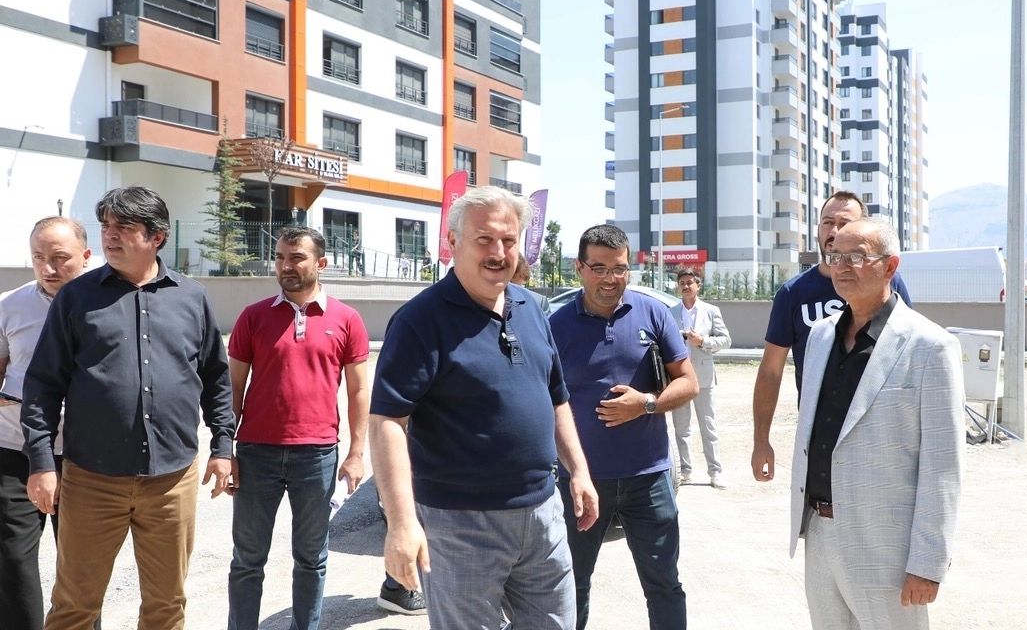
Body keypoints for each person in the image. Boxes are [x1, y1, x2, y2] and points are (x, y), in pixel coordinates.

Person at [369, 186, 598, 628]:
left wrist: (580, 472)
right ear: (453, 241)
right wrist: (401, 523)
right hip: (459, 525)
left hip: (542, 515)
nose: (498, 252)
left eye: (508, 240)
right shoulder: (419, 321)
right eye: (484, 239)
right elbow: (387, 423)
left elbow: (556, 397)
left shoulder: (531, 308)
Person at [22, 185, 235, 630]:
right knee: (74, 606)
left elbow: (216, 378)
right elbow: (43, 385)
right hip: (92, 480)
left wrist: (222, 446)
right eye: (106, 226)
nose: (110, 236)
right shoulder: (76, 298)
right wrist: (41, 462)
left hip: (172, 480)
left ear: (157, 236)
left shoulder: (192, 297)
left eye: (124, 227)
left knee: (166, 605)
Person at [786, 218, 964, 630]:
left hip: (888, 546)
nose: (842, 266)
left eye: (856, 256)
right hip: (820, 531)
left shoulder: (930, 346)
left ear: (890, 265)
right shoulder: (820, 336)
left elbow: (943, 466)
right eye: (834, 256)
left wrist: (927, 563)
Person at [548, 224, 698, 630]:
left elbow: (688, 382)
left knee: (664, 585)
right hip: (581, 482)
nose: (610, 278)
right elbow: (542, 400)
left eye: (619, 268)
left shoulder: (653, 313)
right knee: (570, 585)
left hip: (649, 479)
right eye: (599, 268)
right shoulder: (556, 327)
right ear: (579, 268)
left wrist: (646, 404)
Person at [226, 227, 371, 630]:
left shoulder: (347, 319)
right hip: (256, 453)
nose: (285, 266)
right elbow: (233, 388)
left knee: (311, 558)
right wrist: (224, 450)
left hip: (317, 456)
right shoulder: (253, 316)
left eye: (296, 258)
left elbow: (359, 391)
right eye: (280, 257)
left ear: (321, 263)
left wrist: (356, 454)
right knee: (247, 560)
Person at [752, 190, 912, 482]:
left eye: (844, 223)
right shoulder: (793, 293)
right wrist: (761, 440)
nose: (834, 231)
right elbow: (771, 371)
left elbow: (908, 353)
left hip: (881, 432)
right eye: (827, 222)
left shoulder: (887, 283)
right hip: (819, 434)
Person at [0, 218, 92, 630]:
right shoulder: (9, 305)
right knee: (12, 559)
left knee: (82, 564)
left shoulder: (108, 303)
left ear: (85, 256)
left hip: (83, 454)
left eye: (60, 258)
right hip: (14, 449)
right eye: (39, 257)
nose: (48, 268)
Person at [669, 267, 732, 489]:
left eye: (690, 282)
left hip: (703, 378)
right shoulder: (671, 312)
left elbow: (726, 340)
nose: (686, 286)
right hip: (678, 378)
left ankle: (715, 472)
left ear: (698, 285)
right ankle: (685, 471)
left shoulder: (711, 311)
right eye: (682, 283)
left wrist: (702, 341)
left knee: (708, 427)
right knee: (681, 428)